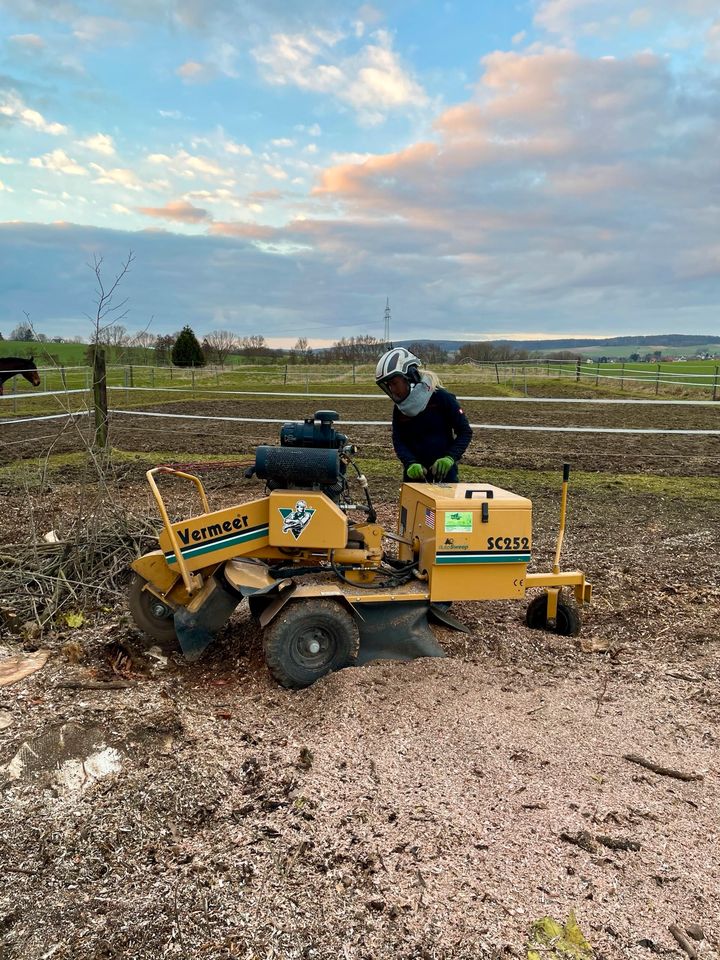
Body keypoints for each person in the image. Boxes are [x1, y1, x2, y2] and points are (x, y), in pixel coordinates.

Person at [375, 347, 472, 482]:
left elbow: (465, 431)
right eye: (389, 385)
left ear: (410, 377)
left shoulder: (441, 398)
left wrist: (450, 458)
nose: (392, 389)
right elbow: (399, 440)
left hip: (444, 477)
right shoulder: (400, 408)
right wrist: (410, 462)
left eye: (395, 383)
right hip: (414, 478)